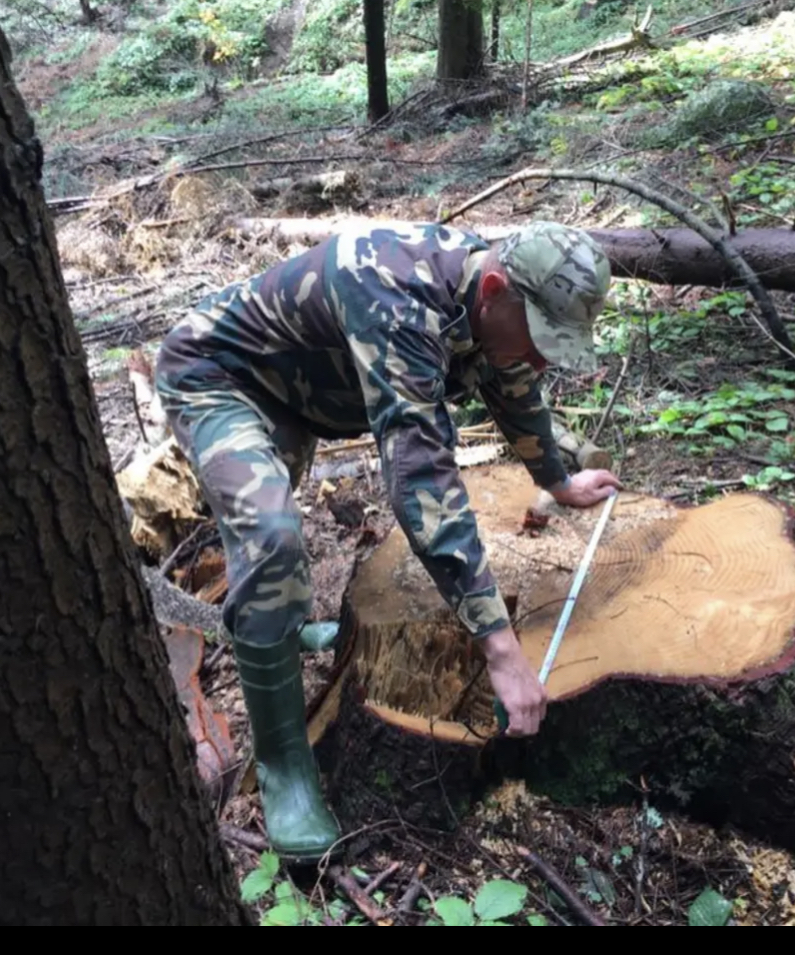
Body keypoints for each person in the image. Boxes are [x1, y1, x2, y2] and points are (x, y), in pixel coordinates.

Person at [155, 220, 622, 862]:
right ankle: (284, 768)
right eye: (540, 339)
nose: (542, 358)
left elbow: (513, 385)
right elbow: (420, 480)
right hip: (220, 376)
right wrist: (500, 648)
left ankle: (283, 630)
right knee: (269, 537)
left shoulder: (487, 298)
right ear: (493, 290)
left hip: (298, 392)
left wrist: (558, 478)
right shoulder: (394, 293)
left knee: (274, 560)